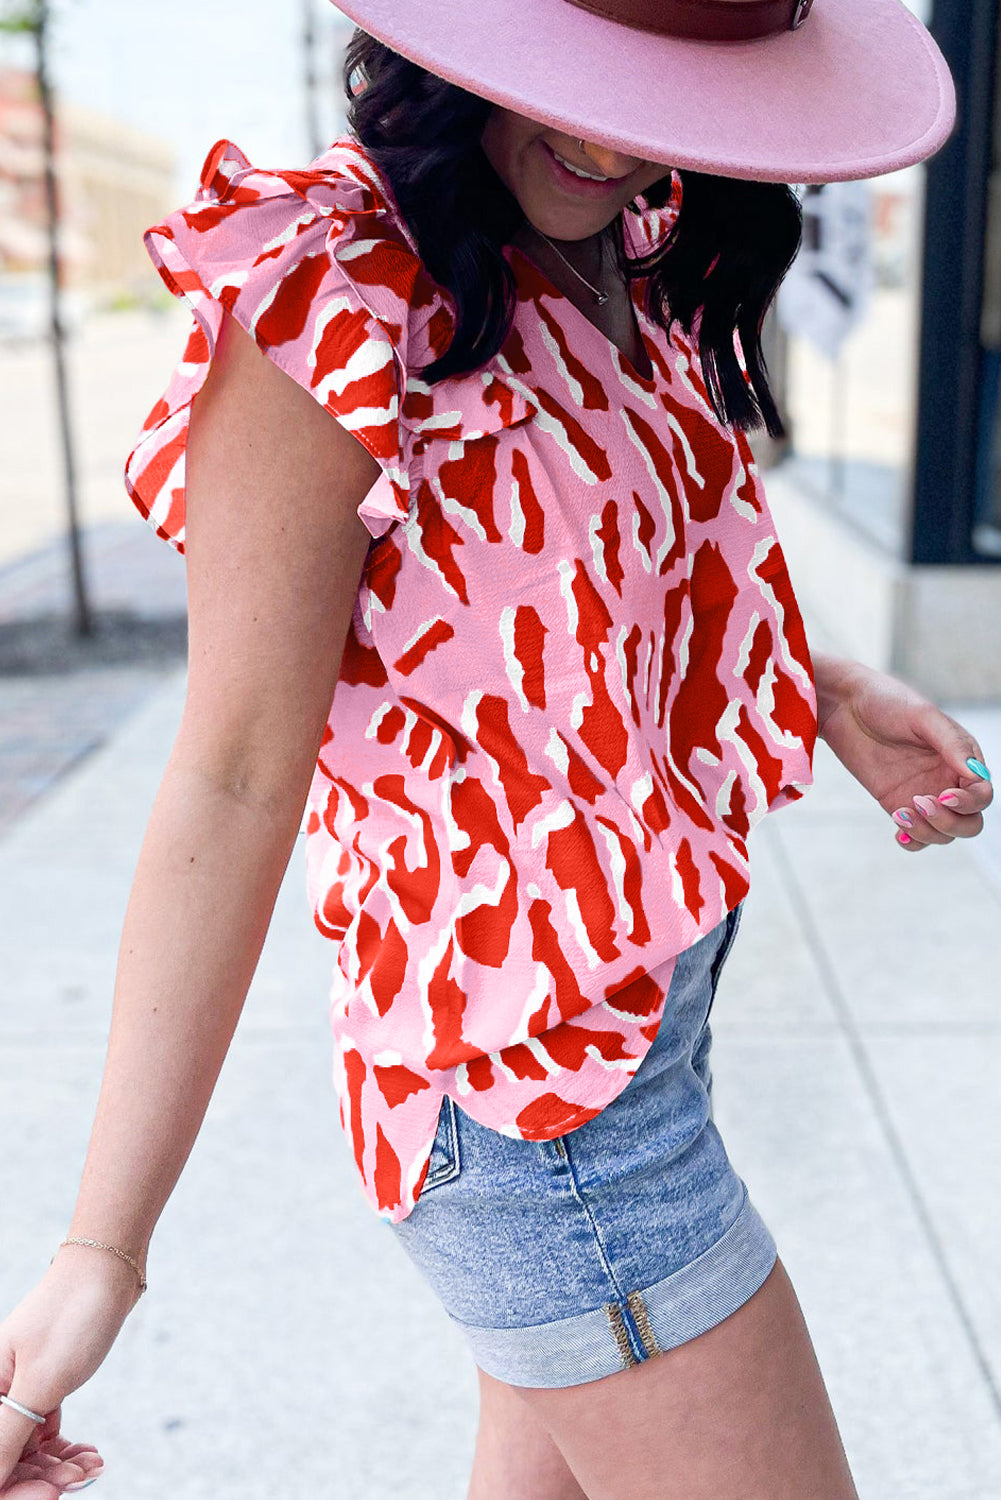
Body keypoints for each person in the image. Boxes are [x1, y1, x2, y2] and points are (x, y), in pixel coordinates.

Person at [0, 1, 992, 1496]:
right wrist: (103, 1247)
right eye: (575, 79)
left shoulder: (627, 250)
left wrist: (820, 685)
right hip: (546, 1119)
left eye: (658, 86)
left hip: (639, 1037)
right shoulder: (332, 291)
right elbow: (234, 773)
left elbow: (578, 597)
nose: (604, 134)